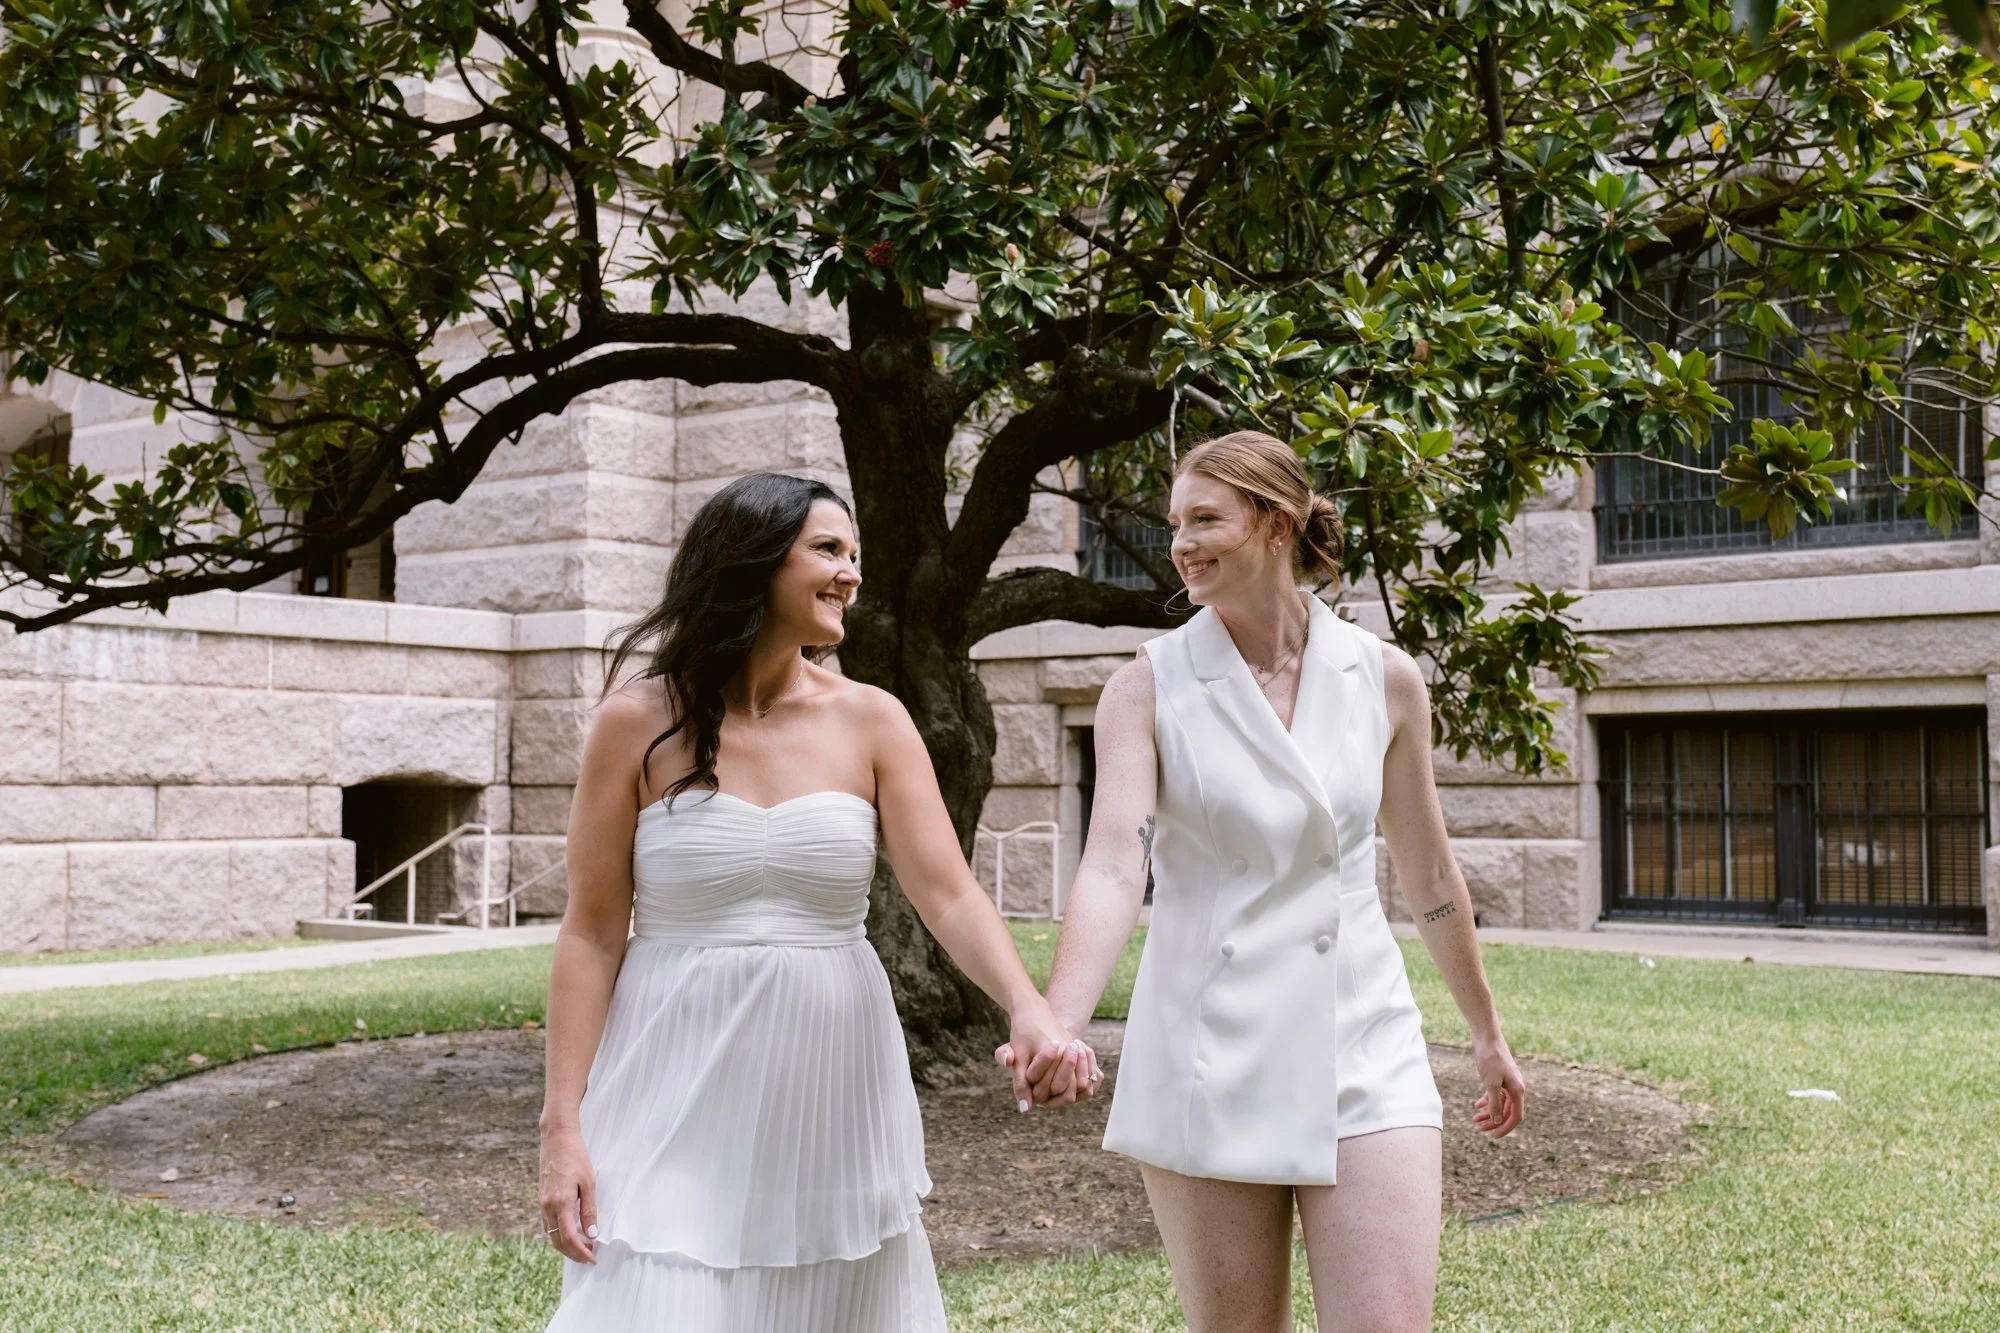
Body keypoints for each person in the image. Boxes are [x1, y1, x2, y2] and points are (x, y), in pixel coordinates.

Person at [537, 472, 1100, 1331]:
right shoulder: (636, 721)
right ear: (753, 561)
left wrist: (1028, 1007)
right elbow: (590, 934)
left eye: (855, 555)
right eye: (828, 550)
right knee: (660, 1294)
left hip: (832, 1080)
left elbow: (946, 892)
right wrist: (561, 1124)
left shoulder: (873, 719)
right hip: (672, 1070)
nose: (852, 574)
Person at [1018, 431, 1527, 1333]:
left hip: (1363, 1040)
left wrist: (1485, 1034)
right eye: (1176, 522)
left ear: (1276, 523)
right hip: (1209, 1051)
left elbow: (1430, 872)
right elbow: (1111, 862)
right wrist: (1058, 1022)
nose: (1181, 542)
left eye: (1205, 518)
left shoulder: (1385, 678)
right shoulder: (1147, 687)